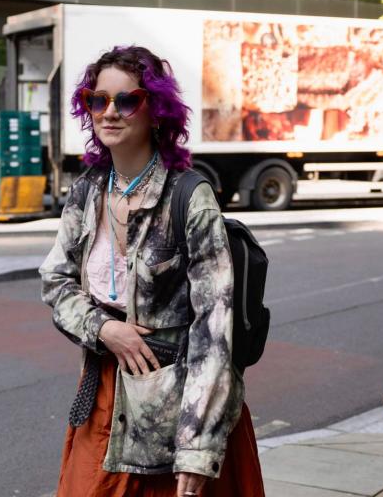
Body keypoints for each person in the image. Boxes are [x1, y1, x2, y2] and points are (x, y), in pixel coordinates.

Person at [40, 46, 264, 497]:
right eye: (97, 100)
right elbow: (56, 281)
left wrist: (198, 447)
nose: (109, 112)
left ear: (156, 110)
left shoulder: (189, 196)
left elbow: (214, 331)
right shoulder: (87, 191)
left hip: (179, 404)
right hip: (103, 398)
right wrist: (104, 329)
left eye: (126, 101)